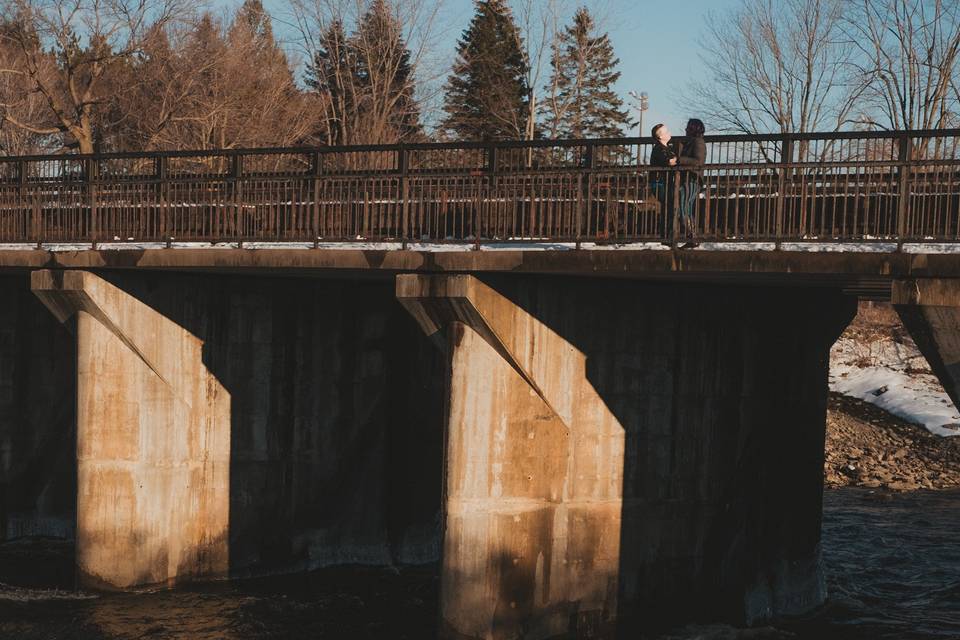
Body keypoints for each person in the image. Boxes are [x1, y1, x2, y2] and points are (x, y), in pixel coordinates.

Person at [676, 118, 706, 247]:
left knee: (683, 207)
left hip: (692, 179)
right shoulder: (689, 142)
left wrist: (679, 160)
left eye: (689, 127)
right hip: (687, 179)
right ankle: (691, 237)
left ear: (694, 129)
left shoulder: (698, 142)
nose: (686, 129)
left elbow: (698, 161)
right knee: (684, 207)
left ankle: (692, 236)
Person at [648, 123, 677, 243]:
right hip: (659, 183)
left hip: (664, 182)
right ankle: (666, 237)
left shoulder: (666, 148)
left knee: (669, 207)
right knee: (668, 207)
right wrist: (678, 160)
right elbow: (668, 162)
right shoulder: (659, 149)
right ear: (660, 137)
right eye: (666, 132)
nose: (669, 133)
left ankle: (667, 236)